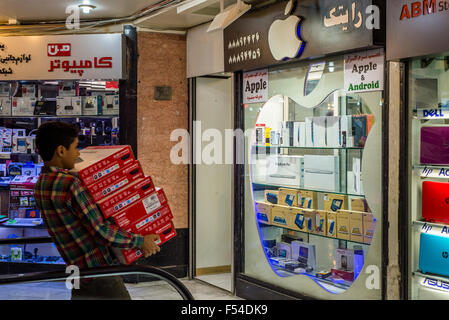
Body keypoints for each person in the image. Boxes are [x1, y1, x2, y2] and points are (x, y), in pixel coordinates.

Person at [33, 121, 160, 300]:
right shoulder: (70, 184)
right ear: (61, 151)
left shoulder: (41, 184)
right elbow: (101, 231)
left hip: (75, 269)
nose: (78, 155)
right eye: (75, 148)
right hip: (98, 271)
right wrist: (140, 241)